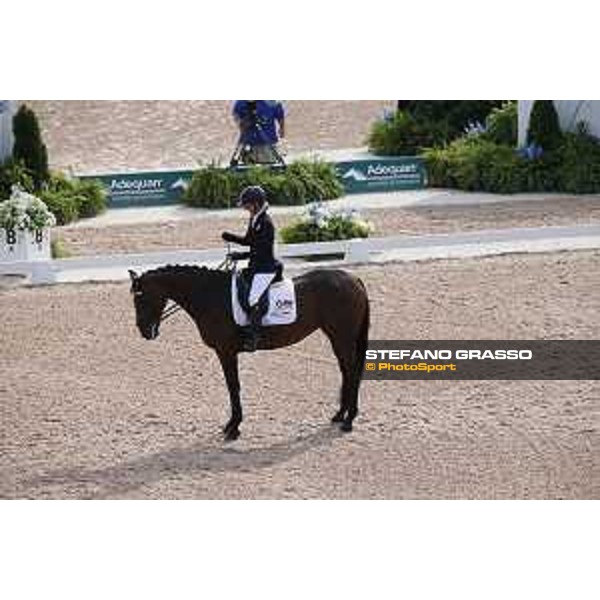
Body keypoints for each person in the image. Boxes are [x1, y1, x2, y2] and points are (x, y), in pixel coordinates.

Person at [222, 185, 281, 352]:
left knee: (254, 299)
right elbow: (249, 241)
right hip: (256, 265)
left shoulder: (266, 223)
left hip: (266, 267)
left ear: (256, 204)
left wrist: (242, 255)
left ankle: (254, 337)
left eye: (247, 205)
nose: (245, 208)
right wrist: (231, 238)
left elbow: (262, 250)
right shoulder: (254, 219)